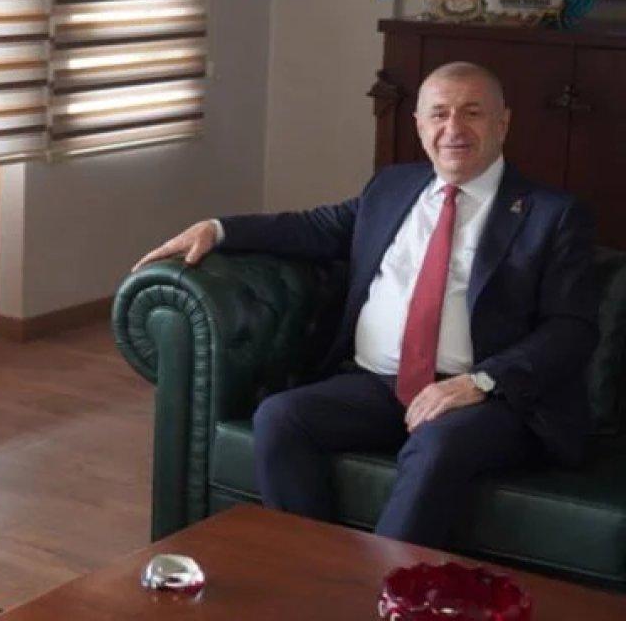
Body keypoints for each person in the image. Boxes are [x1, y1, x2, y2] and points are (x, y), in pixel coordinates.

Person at [133, 62, 598, 548]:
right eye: (439, 113)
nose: (453, 128)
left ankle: (381, 587)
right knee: (281, 418)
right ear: (418, 124)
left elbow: (571, 328)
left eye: (472, 113)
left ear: (503, 122)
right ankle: (315, 571)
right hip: (377, 383)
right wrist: (218, 229)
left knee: (437, 442)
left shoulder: (553, 214)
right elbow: (314, 228)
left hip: (484, 397)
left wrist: (479, 381)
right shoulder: (392, 188)